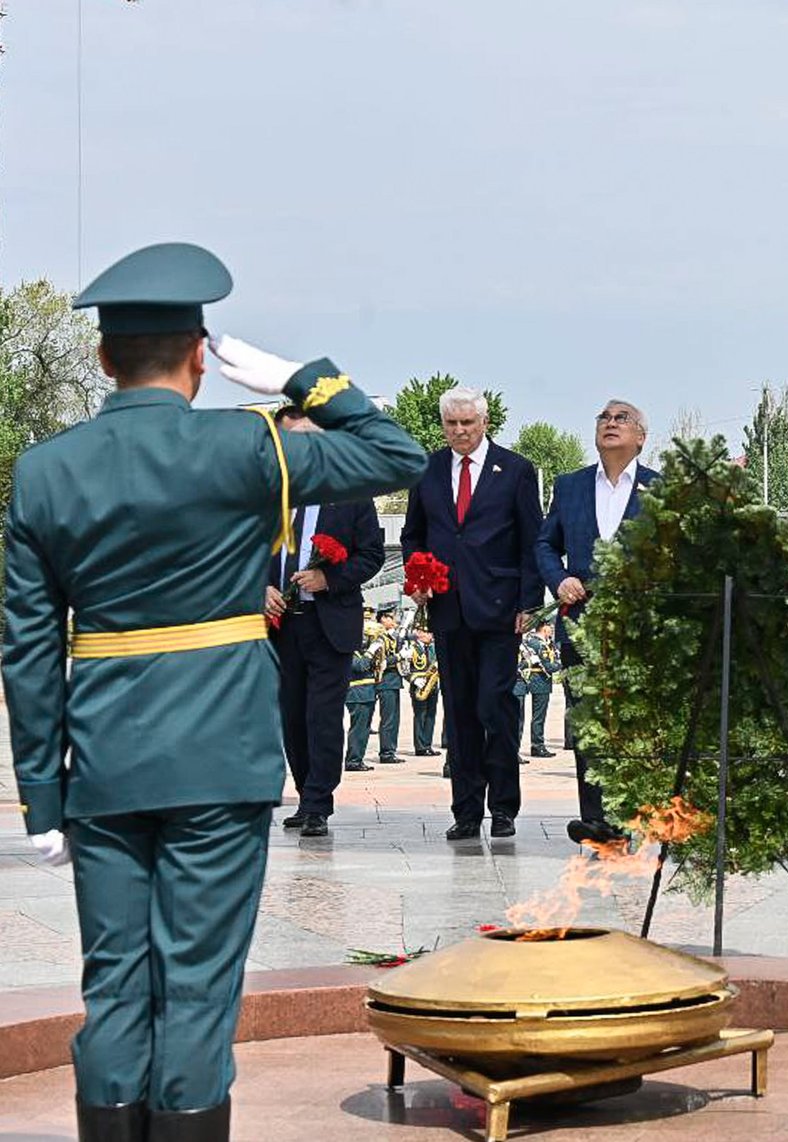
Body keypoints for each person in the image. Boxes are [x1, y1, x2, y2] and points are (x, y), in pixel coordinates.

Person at [2, 242, 422, 1140]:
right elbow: (398, 452)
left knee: (114, 980)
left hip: (105, 759)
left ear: (105, 359)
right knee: (195, 985)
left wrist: (41, 792)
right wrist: (303, 378)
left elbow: (28, 647)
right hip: (220, 753)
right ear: (202, 355)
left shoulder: (45, 469)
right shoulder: (249, 446)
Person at [401, 387, 543, 841]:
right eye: (451, 424)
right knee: (459, 712)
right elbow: (413, 535)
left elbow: (531, 541)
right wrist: (417, 576)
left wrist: (530, 604)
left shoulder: (517, 470)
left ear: (484, 423)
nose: (459, 431)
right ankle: (466, 810)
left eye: (467, 423)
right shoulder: (427, 469)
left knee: (493, 707)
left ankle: (503, 806)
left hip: (501, 611)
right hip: (448, 609)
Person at [535, 399, 659, 845]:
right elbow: (545, 545)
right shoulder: (569, 486)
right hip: (581, 622)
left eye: (621, 418)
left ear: (641, 437)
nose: (610, 423)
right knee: (587, 722)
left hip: (637, 628)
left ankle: (631, 817)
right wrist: (559, 578)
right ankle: (597, 822)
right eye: (603, 417)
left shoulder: (659, 490)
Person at [265, 405, 385, 839]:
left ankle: (318, 802)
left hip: (327, 621)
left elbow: (371, 554)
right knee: (292, 717)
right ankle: (305, 792)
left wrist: (328, 577)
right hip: (280, 624)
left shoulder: (350, 492)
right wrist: (261, 588)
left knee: (322, 715)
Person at [345, 619, 386, 772]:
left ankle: (357, 759)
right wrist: (370, 652)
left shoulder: (361, 651)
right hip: (357, 694)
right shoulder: (350, 650)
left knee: (364, 730)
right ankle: (353, 761)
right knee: (358, 730)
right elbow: (360, 666)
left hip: (367, 693)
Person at [519, 623, 559, 757]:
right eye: (550, 628)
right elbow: (549, 666)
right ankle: (537, 745)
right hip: (539, 679)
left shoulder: (544, 642)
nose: (552, 630)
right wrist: (562, 663)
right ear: (544, 628)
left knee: (535, 716)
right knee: (538, 717)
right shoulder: (538, 644)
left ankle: (536, 745)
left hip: (538, 680)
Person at [373, 607, 406, 764]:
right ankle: (386, 752)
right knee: (388, 719)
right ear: (383, 619)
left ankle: (390, 750)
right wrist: (399, 656)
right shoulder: (379, 638)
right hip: (385, 680)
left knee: (393, 719)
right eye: (390, 617)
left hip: (393, 681)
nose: (394, 621)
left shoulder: (391, 638)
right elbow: (382, 662)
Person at [407, 628, 442, 757]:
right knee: (420, 715)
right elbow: (403, 668)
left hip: (432, 684)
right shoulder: (412, 649)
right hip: (419, 685)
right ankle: (420, 747)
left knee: (431, 715)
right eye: (428, 632)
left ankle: (428, 744)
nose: (431, 635)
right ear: (419, 634)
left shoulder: (433, 648)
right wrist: (413, 679)